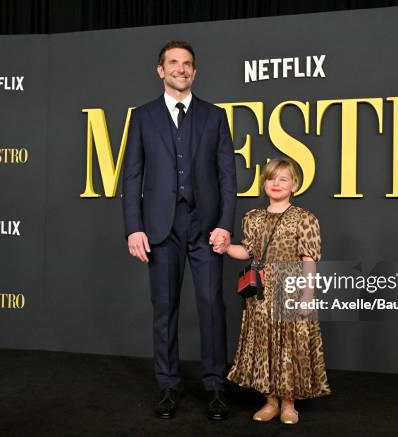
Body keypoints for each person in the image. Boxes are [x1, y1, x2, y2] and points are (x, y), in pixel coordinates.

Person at [121, 40, 237, 420]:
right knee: (165, 310)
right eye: (174, 63)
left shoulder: (215, 116)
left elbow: (227, 178)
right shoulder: (141, 116)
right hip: (159, 227)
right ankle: (168, 386)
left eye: (187, 64)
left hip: (205, 227)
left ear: (195, 71)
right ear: (160, 70)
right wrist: (133, 228)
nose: (181, 69)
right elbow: (132, 176)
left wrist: (224, 225)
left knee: (212, 307)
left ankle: (216, 387)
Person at [214, 157, 331, 424]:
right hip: (261, 296)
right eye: (270, 178)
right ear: (263, 183)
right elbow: (247, 251)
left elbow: (309, 259)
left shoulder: (304, 218)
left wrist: (307, 294)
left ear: (294, 185)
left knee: (289, 348)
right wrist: (226, 247)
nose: (276, 184)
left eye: (283, 179)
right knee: (264, 346)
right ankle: (270, 401)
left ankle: (289, 404)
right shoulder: (253, 218)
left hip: (290, 291)